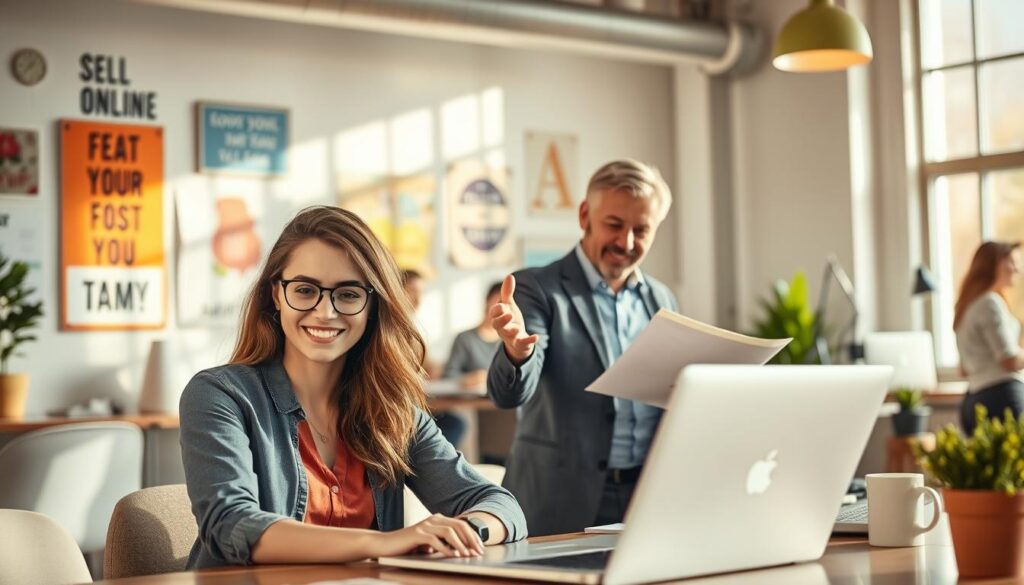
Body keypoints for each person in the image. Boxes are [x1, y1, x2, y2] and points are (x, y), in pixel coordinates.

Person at [179, 206, 526, 569]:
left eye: (347, 294)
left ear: (372, 305)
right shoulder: (219, 395)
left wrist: (467, 531)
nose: (325, 312)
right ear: (276, 295)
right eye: (304, 290)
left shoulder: (392, 409)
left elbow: (501, 505)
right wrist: (388, 543)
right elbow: (233, 525)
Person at [487, 159, 679, 536]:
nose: (625, 243)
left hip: (645, 496)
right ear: (584, 215)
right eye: (614, 225)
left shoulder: (662, 299)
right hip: (560, 499)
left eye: (641, 230)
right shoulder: (537, 288)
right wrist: (517, 352)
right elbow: (508, 395)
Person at [954, 240, 1024, 435]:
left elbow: (963, 370)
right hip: (1001, 398)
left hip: (974, 399)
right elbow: (1008, 359)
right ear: (992, 264)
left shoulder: (967, 306)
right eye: (1011, 262)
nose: (1017, 269)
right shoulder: (990, 303)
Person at [401, 268, 467, 446]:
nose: (418, 299)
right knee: (456, 423)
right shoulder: (394, 329)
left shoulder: (413, 328)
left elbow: (428, 368)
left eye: (422, 293)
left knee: (456, 420)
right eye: (412, 292)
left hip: (418, 401)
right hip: (404, 407)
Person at [444, 282, 503, 389]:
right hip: (471, 402)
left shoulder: (510, 342)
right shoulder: (464, 339)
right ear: (487, 300)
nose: (502, 308)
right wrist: (468, 379)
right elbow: (449, 375)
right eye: (498, 301)